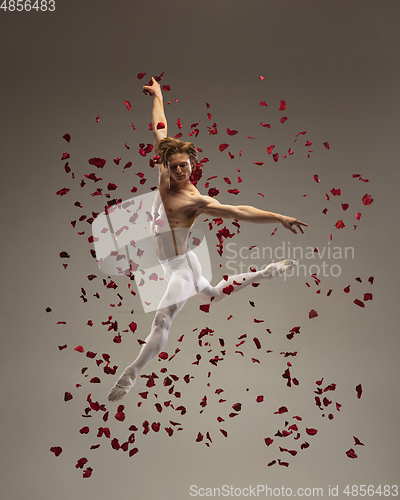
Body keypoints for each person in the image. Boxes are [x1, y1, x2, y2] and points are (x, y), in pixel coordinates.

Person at [108, 77, 308, 401]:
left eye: (185, 166)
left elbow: (239, 211)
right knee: (213, 295)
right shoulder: (165, 172)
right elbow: (160, 129)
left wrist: (279, 217)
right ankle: (266, 272)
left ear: (192, 165)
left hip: (180, 268)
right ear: (167, 165)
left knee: (163, 318)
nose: (180, 172)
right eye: (174, 167)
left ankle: (130, 374)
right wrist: (157, 96)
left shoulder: (193, 201)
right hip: (177, 262)